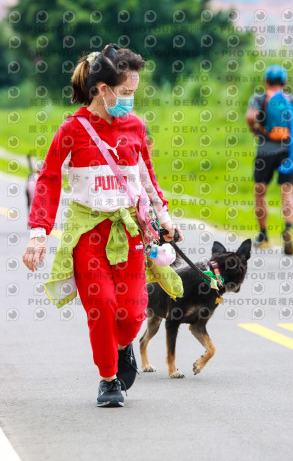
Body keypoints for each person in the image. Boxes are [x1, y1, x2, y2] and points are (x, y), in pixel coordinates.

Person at [22, 43, 184, 408]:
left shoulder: (135, 127)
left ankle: (124, 345)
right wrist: (38, 235)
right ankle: (108, 379)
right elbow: (48, 180)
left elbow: (146, 177)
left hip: (130, 232)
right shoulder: (72, 130)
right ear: (103, 89)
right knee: (103, 307)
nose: (131, 101)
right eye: (126, 93)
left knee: (131, 313)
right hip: (88, 236)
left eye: (134, 93)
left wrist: (166, 218)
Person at [246, 64, 293, 255]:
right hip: (288, 153)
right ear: (285, 82)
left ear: (266, 81)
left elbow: (251, 117)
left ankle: (264, 234)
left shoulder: (260, 98)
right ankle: (288, 229)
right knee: (288, 193)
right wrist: (291, 128)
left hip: (265, 152)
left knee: (260, 193)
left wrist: (257, 131)